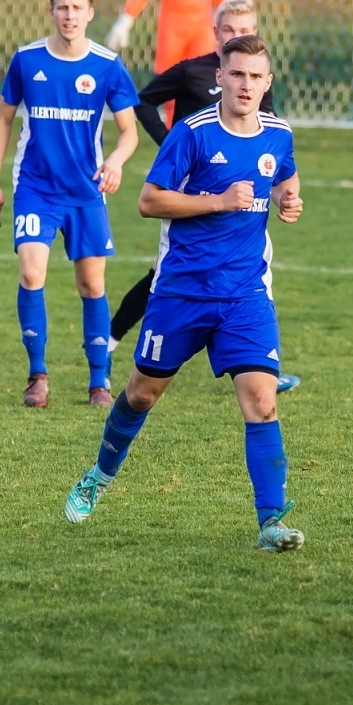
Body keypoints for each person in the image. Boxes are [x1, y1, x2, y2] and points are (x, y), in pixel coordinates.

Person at [62, 35, 307, 552]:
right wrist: (217, 201)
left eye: (255, 77)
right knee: (141, 394)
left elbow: (285, 176)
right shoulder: (192, 134)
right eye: (236, 74)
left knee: (262, 400)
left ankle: (271, 523)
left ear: (268, 83)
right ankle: (100, 475)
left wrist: (289, 199)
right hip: (182, 292)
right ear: (219, 76)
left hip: (244, 293)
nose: (245, 85)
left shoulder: (279, 134)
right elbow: (149, 202)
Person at [110, 0, 301, 394]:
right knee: (160, 279)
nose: (245, 83)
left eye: (245, 30)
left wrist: (287, 196)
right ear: (217, 45)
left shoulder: (271, 118)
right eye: (229, 30)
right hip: (187, 215)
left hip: (244, 235)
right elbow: (144, 106)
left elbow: (280, 165)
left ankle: (259, 360)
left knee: (255, 275)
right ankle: (115, 341)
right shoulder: (194, 83)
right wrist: (168, 146)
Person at [0, 0, 140, 409]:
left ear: (91, 13)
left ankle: (99, 383)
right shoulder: (27, 60)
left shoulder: (107, 65)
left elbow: (129, 133)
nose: (69, 16)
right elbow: (2, 121)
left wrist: (115, 162)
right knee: (32, 274)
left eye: (77, 8)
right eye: (62, 8)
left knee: (92, 285)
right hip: (35, 188)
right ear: (51, 11)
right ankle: (37, 377)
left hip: (85, 192)